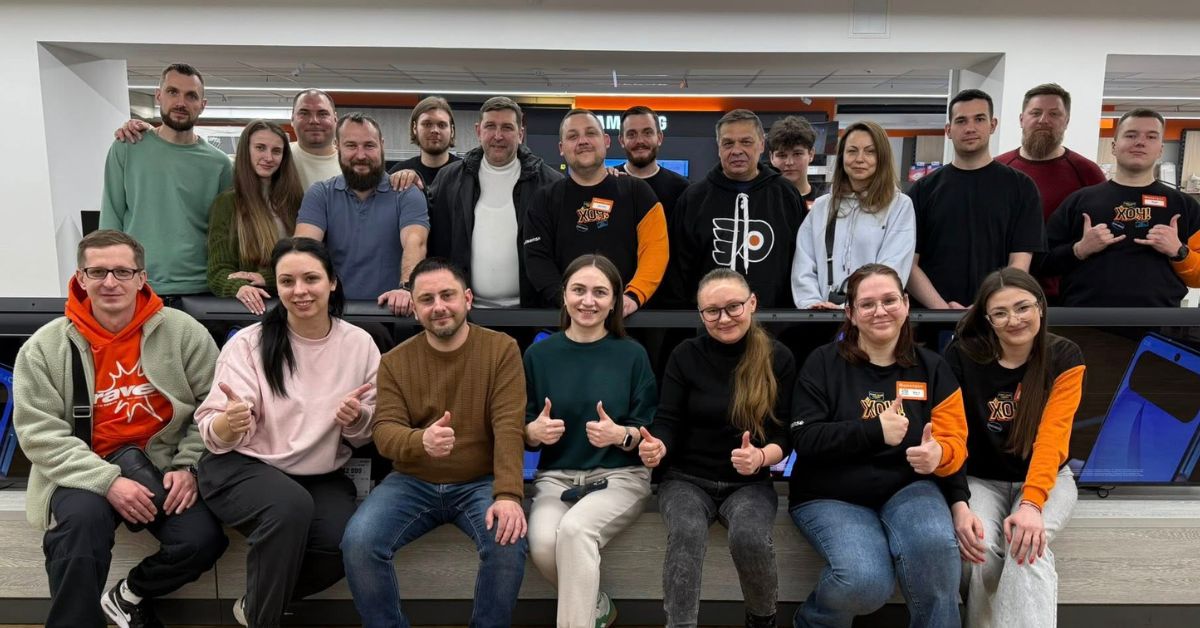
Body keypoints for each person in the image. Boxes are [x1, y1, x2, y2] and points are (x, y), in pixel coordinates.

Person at [13, 229, 227, 628]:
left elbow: (215, 403)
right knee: (78, 530)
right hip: (84, 468)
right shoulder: (44, 347)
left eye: (122, 272)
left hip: (161, 463)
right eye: (97, 272)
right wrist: (108, 481)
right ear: (80, 278)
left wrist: (189, 466)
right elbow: (38, 433)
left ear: (141, 278)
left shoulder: (183, 332)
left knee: (202, 540)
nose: (110, 282)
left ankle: (129, 595)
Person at [194, 237, 378, 627]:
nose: (299, 291)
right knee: (289, 506)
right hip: (241, 466)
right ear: (276, 287)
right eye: (287, 281)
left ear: (332, 282)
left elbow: (368, 432)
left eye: (311, 278)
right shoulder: (249, 343)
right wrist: (231, 422)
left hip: (318, 473)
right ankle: (265, 618)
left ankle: (256, 603)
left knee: (349, 542)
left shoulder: (360, 343)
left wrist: (356, 418)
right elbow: (213, 429)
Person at [339, 257, 528, 628]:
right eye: (426, 299)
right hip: (412, 481)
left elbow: (509, 426)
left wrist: (508, 494)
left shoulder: (501, 349)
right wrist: (421, 440)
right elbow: (384, 431)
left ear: (467, 299)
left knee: (507, 540)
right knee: (358, 542)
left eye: (447, 295)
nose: (438, 306)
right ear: (414, 307)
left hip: (479, 480)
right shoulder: (394, 362)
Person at [789, 263, 968, 628]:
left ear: (906, 304)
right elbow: (804, 438)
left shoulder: (933, 367)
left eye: (889, 300)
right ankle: (812, 622)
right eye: (867, 304)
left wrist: (941, 459)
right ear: (851, 313)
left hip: (909, 489)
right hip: (831, 495)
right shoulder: (822, 363)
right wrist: (873, 431)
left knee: (937, 549)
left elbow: (955, 443)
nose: (880, 311)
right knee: (865, 582)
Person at [639, 268, 795, 628]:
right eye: (712, 311)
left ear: (752, 303)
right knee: (687, 531)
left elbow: (785, 434)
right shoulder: (684, 354)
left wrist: (760, 457)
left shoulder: (778, 357)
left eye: (733, 307)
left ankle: (762, 621)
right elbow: (667, 420)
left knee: (750, 535)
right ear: (701, 314)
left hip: (750, 483)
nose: (723, 318)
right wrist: (658, 446)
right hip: (686, 479)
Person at [943, 268, 1085, 628]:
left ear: (1040, 307)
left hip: (1047, 478)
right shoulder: (962, 356)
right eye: (1001, 312)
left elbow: (1053, 437)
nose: (1014, 319)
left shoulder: (1065, 356)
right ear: (987, 319)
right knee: (979, 550)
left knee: (1027, 547)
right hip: (981, 478)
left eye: (1023, 307)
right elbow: (952, 434)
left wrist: (1032, 504)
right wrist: (958, 502)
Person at [523, 254, 656, 627]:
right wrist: (532, 432)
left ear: (614, 302)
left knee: (575, 530)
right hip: (556, 478)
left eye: (600, 292)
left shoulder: (632, 354)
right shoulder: (538, 354)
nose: (588, 301)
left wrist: (620, 435)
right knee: (543, 544)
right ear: (564, 295)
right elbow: (522, 423)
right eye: (578, 290)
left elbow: (645, 428)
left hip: (620, 477)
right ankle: (596, 606)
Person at [100, 63, 233, 298]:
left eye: (191, 96)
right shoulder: (127, 147)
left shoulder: (220, 164)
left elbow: (225, 233)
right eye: (173, 92)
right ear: (159, 96)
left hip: (201, 288)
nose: (181, 102)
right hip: (139, 285)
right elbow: (111, 219)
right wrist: (110, 277)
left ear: (202, 105)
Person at [1043, 108, 1200, 306]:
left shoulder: (1184, 206)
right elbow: (1042, 263)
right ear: (1114, 146)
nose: (1140, 142)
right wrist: (1079, 249)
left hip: (1158, 320)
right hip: (1084, 320)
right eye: (1131, 135)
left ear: (1160, 149)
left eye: (1151, 137)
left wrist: (1179, 251)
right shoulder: (1079, 201)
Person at [907, 89, 1044, 309]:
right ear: (948, 130)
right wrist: (943, 311)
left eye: (979, 119)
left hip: (998, 315)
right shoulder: (922, 190)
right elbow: (909, 263)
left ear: (993, 125)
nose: (970, 128)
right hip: (933, 317)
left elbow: (1019, 261)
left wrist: (986, 307)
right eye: (961, 121)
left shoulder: (1021, 187)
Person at [523, 108, 669, 314]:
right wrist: (567, 301)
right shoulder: (543, 200)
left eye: (591, 133)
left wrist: (633, 296)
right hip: (565, 320)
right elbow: (537, 260)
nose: (583, 141)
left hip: (629, 320)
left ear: (606, 141)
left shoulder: (639, 193)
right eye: (573, 136)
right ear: (561, 148)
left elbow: (655, 251)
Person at [426, 97, 562, 307]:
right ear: (478, 131)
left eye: (507, 127)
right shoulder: (449, 179)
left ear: (520, 134)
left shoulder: (549, 183)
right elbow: (431, 239)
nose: (498, 136)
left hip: (531, 313)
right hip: (466, 312)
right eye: (490, 126)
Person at [295, 112, 429, 315]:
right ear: (337, 147)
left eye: (369, 145)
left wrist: (406, 287)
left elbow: (415, 243)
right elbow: (304, 248)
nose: (360, 155)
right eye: (351, 146)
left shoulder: (406, 193)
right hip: (332, 315)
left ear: (381, 145)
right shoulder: (320, 194)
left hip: (393, 314)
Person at [670, 109, 804, 308]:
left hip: (774, 319)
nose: (737, 150)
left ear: (761, 144)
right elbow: (678, 271)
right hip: (711, 318)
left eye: (746, 142)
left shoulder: (786, 195)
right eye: (728, 143)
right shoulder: (693, 199)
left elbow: (800, 262)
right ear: (718, 148)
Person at [996, 84, 1107, 302]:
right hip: (1004, 291)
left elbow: (1099, 236)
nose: (1043, 120)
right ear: (1021, 119)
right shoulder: (999, 169)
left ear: (1066, 121)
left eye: (1054, 114)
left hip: (1065, 296)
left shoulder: (1087, 173)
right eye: (1035, 113)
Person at [791, 120, 915, 309]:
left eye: (870, 152)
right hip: (822, 315)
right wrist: (812, 305)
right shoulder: (822, 207)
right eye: (852, 151)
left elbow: (892, 268)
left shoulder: (899, 206)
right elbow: (804, 263)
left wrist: (852, 307)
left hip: (873, 314)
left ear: (882, 157)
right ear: (842, 156)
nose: (859, 159)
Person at [117, 88, 339, 191]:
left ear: (335, 119)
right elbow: (208, 160)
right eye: (304, 113)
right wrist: (154, 132)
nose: (314, 121)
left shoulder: (348, 166)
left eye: (322, 114)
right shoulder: (281, 156)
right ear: (292, 119)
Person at [207, 120, 304, 315]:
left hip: (297, 304)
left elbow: (307, 260)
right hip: (252, 311)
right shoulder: (227, 203)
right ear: (246, 150)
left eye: (276, 151)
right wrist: (240, 287)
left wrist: (267, 278)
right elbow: (218, 271)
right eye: (260, 148)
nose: (268, 157)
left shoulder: (295, 201)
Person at [616, 105, 691, 220]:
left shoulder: (682, 189)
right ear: (621, 141)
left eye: (647, 133)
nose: (640, 141)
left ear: (659, 138)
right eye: (631, 134)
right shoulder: (609, 182)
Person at [388, 95, 462, 191]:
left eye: (441, 125)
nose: (435, 130)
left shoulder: (465, 173)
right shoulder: (399, 173)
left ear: (452, 130)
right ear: (415, 128)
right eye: (427, 124)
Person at [767, 115, 825, 210]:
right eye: (782, 155)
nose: (789, 162)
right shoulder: (761, 201)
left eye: (797, 154)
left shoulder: (824, 204)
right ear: (771, 157)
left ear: (811, 154)